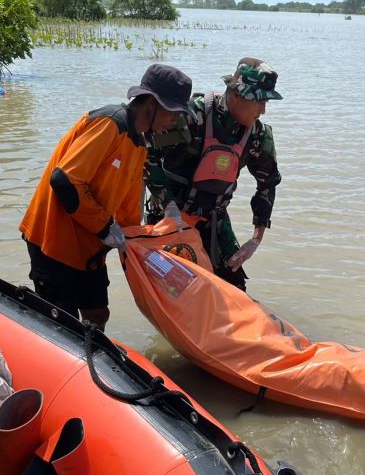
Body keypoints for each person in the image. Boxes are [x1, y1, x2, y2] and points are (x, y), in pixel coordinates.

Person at [19, 63, 192, 331]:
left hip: (89, 248)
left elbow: (125, 209)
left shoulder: (139, 145)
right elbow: (65, 180)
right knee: (63, 327)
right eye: (174, 113)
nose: (174, 122)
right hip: (53, 241)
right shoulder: (110, 123)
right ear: (152, 104)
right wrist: (104, 226)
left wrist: (145, 240)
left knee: (98, 314)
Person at [144, 57, 282, 291]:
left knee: (235, 284)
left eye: (266, 102)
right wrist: (166, 204)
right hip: (170, 217)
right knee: (176, 288)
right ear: (237, 95)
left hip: (214, 218)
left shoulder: (258, 136)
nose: (263, 110)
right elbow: (148, 152)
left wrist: (256, 238)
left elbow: (267, 183)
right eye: (259, 101)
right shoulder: (191, 117)